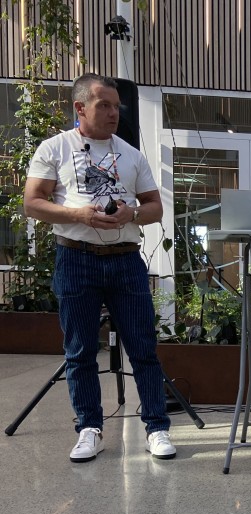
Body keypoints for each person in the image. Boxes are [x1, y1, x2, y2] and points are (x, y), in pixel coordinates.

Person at [24, 73, 176, 462]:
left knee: (143, 347)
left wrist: (132, 213)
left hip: (126, 259)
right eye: (103, 105)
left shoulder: (131, 153)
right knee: (79, 352)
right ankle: (89, 428)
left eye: (116, 105)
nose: (113, 112)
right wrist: (78, 214)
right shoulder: (54, 148)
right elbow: (33, 203)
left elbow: (156, 207)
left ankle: (156, 427)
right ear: (80, 108)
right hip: (75, 256)